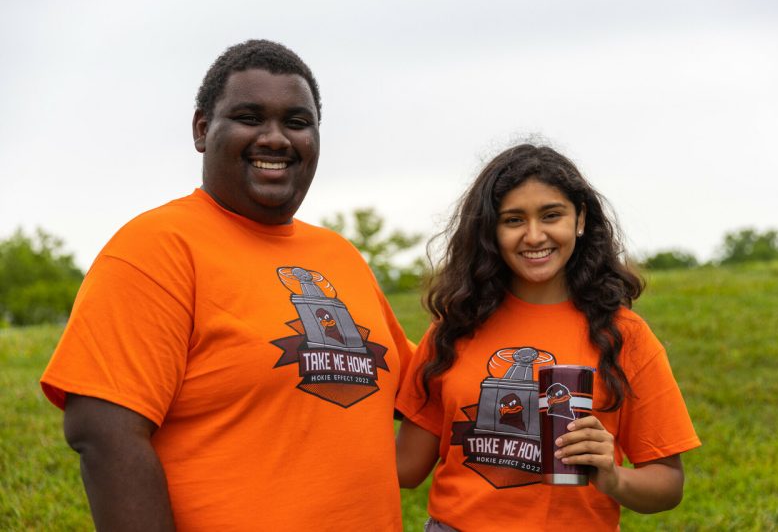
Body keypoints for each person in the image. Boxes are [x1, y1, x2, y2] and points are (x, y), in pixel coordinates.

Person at [41, 39, 411, 531]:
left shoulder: (338, 256)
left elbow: (428, 385)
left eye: (297, 123)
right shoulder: (155, 248)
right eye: (250, 117)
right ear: (202, 129)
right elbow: (104, 432)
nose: (276, 138)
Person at [395, 143, 701, 531]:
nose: (534, 235)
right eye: (513, 220)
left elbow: (668, 484)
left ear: (580, 219)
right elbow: (405, 468)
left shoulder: (624, 336)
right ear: (490, 229)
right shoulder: (455, 328)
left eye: (551, 215)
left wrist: (613, 476)